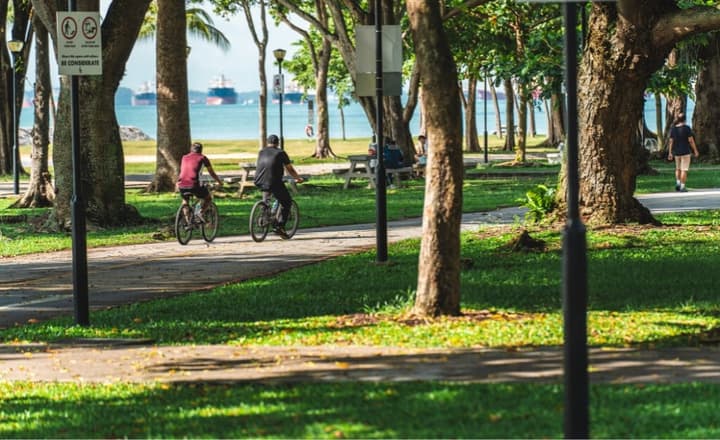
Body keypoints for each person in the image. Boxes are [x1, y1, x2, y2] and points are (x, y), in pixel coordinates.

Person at [254, 134, 304, 238]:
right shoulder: (281, 153)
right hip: (274, 182)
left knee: (266, 199)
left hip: (259, 180)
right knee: (286, 202)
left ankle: (264, 215)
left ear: (267, 143)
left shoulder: (261, 152)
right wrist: (298, 178)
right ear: (278, 143)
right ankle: (280, 226)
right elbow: (290, 169)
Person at [177, 142, 223, 220]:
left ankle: (188, 221)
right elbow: (211, 172)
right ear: (201, 150)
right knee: (208, 199)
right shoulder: (203, 158)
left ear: (191, 149)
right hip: (195, 184)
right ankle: (200, 212)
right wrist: (219, 182)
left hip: (181, 184)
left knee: (185, 200)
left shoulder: (184, 157)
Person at [667, 113, 699, 192]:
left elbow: (671, 141)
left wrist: (670, 153)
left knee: (678, 169)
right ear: (685, 119)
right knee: (684, 169)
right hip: (685, 152)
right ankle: (682, 187)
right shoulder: (687, 128)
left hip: (676, 152)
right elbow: (691, 140)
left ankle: (678, 184)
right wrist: (695, 150)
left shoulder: (673, 129)